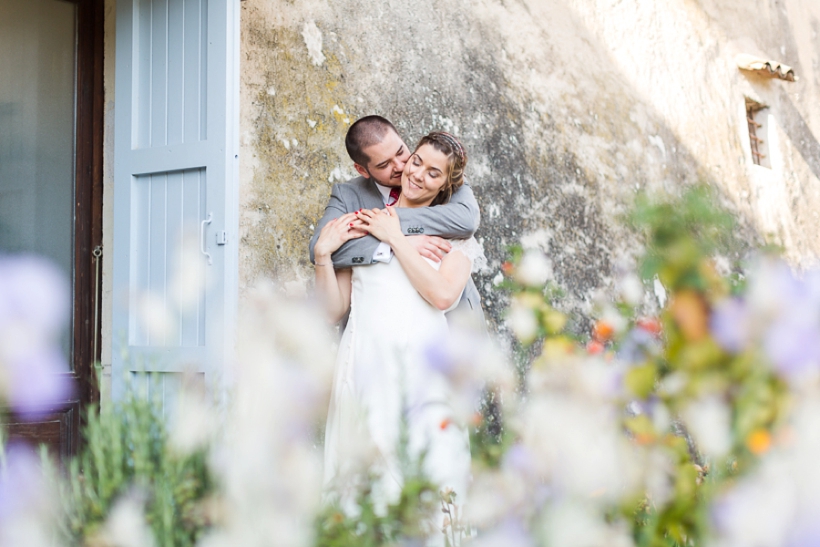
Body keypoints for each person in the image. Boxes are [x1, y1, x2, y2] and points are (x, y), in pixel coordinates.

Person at [313, 131, 482, 542]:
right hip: (364, 370)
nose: (418, 174)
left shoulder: (457, 239)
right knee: (361, 481)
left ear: (446, 184)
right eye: (417, 161)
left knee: (427, 473)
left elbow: (442, 295)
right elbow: (334, 309)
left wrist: (396, 238)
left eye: (434, 173)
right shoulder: (367, 225)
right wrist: (322, 256)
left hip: (421, 375)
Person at [308, 115, 485, 328]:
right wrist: (390, 243)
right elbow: (321, 247)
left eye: (402, 152)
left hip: (450, 334)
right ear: (362, 170)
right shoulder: (349, 197)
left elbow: (467, 221)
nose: (403, 167)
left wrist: (386, 224)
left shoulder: (445, 177)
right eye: (384, 164)